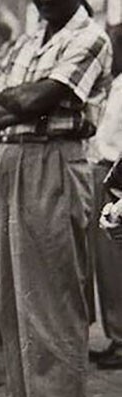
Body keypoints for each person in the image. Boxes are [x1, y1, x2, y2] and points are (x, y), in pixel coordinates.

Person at [0, 0, 112, 397]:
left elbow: (33, 100)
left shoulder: (89, 37)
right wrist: (17, 99)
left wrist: (14, 100)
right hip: (12, 162)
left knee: (53, 298)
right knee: (12, 295)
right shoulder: (30, 39)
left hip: (56, 161)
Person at [90, 36, 122, 370]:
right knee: (107, 265)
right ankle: (116, 334)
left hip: (117, 174)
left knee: (115, 264)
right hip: (104, 173)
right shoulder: (115, 86)